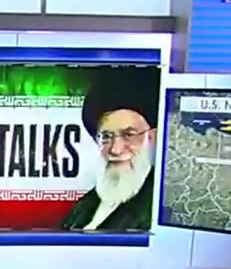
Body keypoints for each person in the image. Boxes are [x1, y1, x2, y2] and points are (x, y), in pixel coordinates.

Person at [61, 77, 158, 232]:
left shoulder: (157, 211)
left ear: (152, 137)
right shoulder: (85, 205)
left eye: (128, 135)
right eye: (106, 136)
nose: (115, 149)